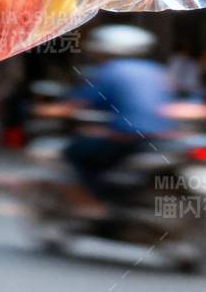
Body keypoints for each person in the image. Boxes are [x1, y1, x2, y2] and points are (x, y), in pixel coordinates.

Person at [62, 25, 171, 204]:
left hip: (126, 136)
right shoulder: (156, 71)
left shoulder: (110, 71)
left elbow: (79, 103)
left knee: (74, 152)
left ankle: (92, 205)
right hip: (160, 137)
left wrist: (45, 109)